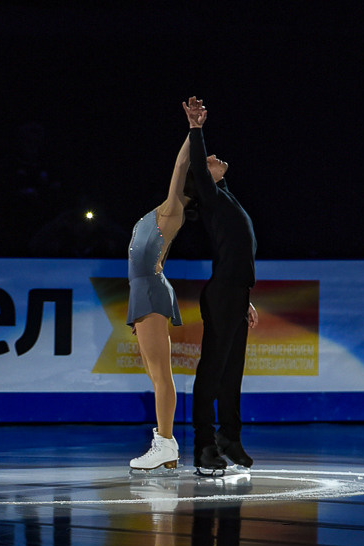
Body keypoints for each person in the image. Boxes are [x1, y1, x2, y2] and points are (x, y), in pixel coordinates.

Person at [182, 97, 258, 474]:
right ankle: (203, 445)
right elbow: (197, 163)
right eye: (209, 163)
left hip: (235, 292)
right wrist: (196, 129)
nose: (214, 159)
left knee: (232, 372)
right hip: (222, 293)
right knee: (212, 370)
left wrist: (246, 295)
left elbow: (241, 251)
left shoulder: (225, 196)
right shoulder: (211, 199)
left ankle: (230, 436)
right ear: (202, 179)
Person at [127, 131, 192, 471]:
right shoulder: (157, 215)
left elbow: (181, 164)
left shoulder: (171, 212)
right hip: (144, 293)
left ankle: (165, 443)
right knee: (156, 375)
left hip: (150, 291)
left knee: (161, 375)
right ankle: (167, 444)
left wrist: (193, 130)